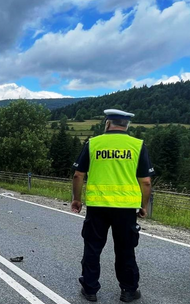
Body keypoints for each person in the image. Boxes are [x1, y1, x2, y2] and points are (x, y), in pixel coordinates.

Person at [72, 109, 154, 303]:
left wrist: (76, 198)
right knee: (125, 249)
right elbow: (146, 182)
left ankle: (90, 289)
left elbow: (78, 175)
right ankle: (128, 290)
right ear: (127, 125)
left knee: (92, 247)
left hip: (97, 206)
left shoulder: (93, 144)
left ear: (107, 124)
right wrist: (143, 206)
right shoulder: (137, 145)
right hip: (126, 209)